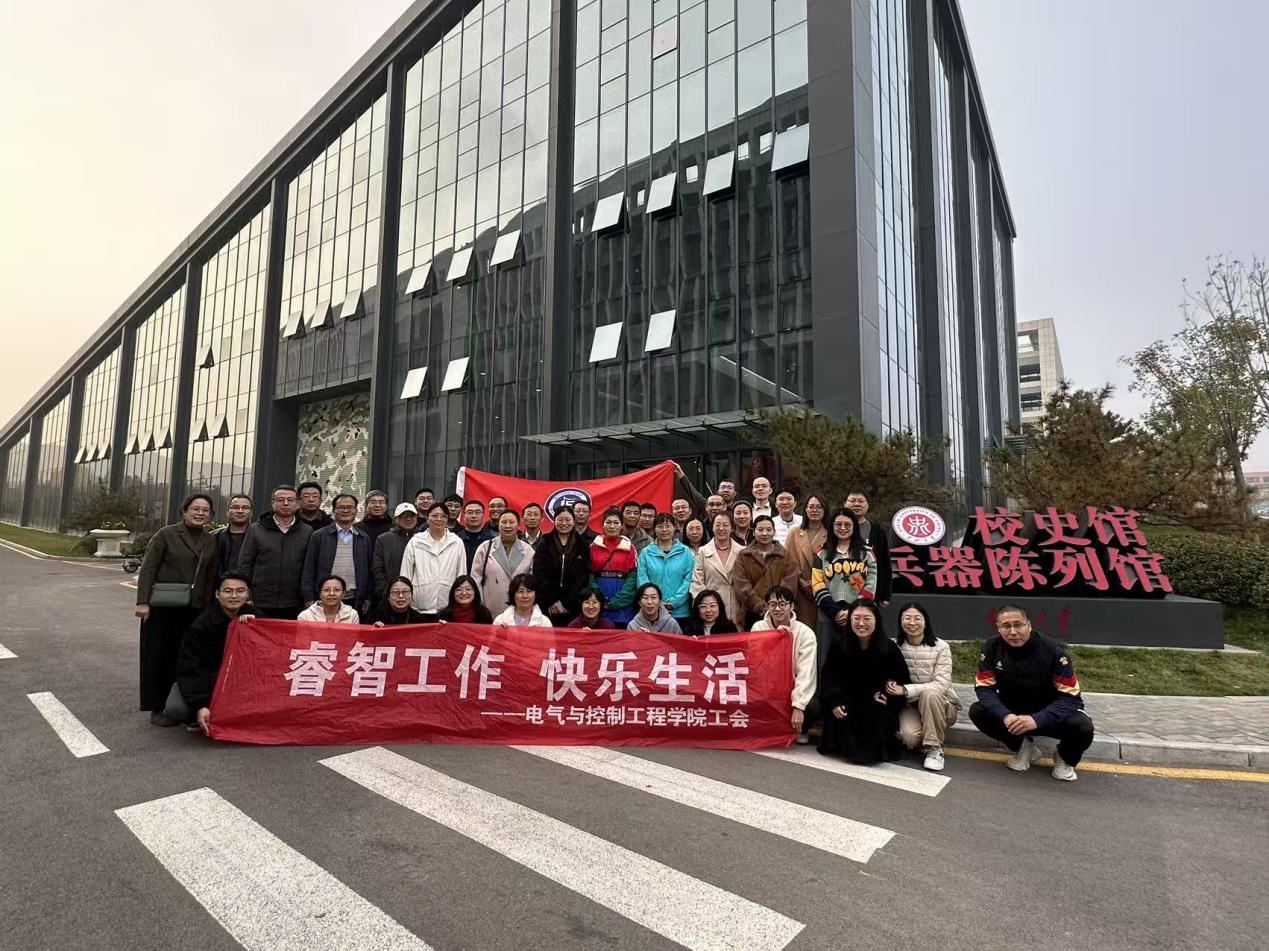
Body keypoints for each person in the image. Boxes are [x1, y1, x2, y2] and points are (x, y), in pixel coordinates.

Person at [970, 604, 1094, 782]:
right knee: (978, 711)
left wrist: (1037, 719)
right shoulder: (990, 648)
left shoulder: (1053, 652)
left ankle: (1064, 758)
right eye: (1006, 626)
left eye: (1018, 625)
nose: (1013, 632)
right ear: (998, 628)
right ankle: (1023, 747)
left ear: (1029, 625)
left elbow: (1071, 698)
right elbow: (984, 688)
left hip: (1049, 714)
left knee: (1083, 726)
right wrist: (1005, 715)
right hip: (1014, 715)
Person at [135, 493, 221, 718]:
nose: (200, 513)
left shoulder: (210, 540)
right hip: (163, 607)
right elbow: (148, 569)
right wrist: (143, 602)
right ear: (184, 511)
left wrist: (209, 608)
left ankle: (185, 705)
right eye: (195, 509)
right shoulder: (166, 534)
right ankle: (157, 706)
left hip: (195, 609)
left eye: (205, 510)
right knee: (159, 656)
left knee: (187, 658)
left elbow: (211, 576)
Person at [152, 572, 254, 731]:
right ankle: (197, 715)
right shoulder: (201, 625)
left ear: (247, 594)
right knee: (177, 708)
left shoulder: (255, 617)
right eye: (228, 591)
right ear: (217, 594)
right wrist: (200, 705)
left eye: (240, 591)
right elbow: (191, 667)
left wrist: (256, 624)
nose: (234, 596)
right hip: (208, 679)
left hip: (240, 680)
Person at [818, 601, 910, 764]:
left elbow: (902, 681)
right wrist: (834, 701)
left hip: (877, 702)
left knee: (876, 719)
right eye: (856, 618)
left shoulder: (889, 648)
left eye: (867, 618)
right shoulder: (839, 644)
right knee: (844, 715)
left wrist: (889, 697)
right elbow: (828, 676)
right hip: (846, 700)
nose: (861, 623)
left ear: (876, 620)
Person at [892, 602, 960, 771]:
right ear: (900, 622)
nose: (912, 622)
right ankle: (927, 733)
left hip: (942, 704)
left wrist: (906, 690)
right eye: (907, 618)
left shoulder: (941, 647)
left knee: (930, 693)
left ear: (925, 621)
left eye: (917, 618)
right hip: (911, 706)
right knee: (909, 738)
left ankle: (934, 748)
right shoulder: (895, 646)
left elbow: (941, 685)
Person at [751, 586, 818, 743]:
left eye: (782, 604)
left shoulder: (805, 633)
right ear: (767, 606)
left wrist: (799, 706)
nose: (777, 609)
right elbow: (756, 663)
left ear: (792, 606)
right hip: (767, 690)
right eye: (773, 604)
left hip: (791, 690)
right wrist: (775, 638)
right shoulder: (758, 628)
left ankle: (801, 728)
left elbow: (806, 672)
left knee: (814, 705)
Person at [812, 508, 879, 667]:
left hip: (858, 613)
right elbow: (817, 584)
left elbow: (871, 583)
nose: (843, 528)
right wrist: (835, 611)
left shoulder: (867, 553)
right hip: (828, 612)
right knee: (826, 658)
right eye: (838, 524)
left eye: (847, 524)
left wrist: (853, 611)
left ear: (854, 526)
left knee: (858, 659)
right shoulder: (821, 552)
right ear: (832, 527)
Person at [238, 484, 315, 620]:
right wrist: (246, 594)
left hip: (294, 602)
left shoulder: (307, 531)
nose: (285, 503)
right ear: (272, 503)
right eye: (280, 500)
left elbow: (309, 567)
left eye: (290, 500)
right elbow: (245, 564)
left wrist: (308, 598)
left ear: (297, 503)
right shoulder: (256, 529)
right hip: (261, 600)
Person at [302, 493, 374, 614]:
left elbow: (369, 571)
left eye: (350, 507)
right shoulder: (319, 536)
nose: (345, 510)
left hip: (354, 599)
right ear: (334, 510)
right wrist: (308, 598)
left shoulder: (363, 538)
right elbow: (309, 569)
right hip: (324, 599)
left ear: (356, 511)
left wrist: (368, 597)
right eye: (341, 507)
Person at [399, 502, 467, 620]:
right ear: (427, 518)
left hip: (447, 606)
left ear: (447, 520)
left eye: (443, 516)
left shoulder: (457, 542)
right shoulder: (415, 541)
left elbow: (461, 574)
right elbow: (406, 573)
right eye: (434, 516)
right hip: (418, 606)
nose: (439, 519)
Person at [732, 515, 800, 628]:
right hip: (752, 612)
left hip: (780, 612)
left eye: (769, 530)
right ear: (753, 532)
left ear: (774, 532)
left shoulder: (785, 555)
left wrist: (777, 604)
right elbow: (741, 584)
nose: (764, 533)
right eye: (760, 530)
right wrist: (760, 606)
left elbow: (790, 581)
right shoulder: (743, 556)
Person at [532, 505, 590, 626]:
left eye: (568, 520)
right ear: (554, 521)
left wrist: (565, 603)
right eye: (560, 519)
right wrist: (552, 601)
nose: (564, 523)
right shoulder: (545, 542)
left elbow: (582, 577)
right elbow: (539, 573)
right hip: (547, 604)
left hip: (573, 605)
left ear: (574, 522)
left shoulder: (582, 545)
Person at [471, 509, 536, 614]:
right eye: (504, 522)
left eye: (512, 522)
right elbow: (476, 579)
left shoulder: (528, 551)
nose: (507, 526)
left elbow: (533, 583)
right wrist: (479, 605)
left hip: (520, 608)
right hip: (490, 607)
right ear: (498, 525)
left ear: (518, 526)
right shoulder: (485, 548)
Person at [637, 513, 695, 621]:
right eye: (660, 526)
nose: (664, 530)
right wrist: (655, 603)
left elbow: (689, 579)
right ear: (654, 529)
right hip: (652, 611)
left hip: (680, 612)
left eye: (668, 526)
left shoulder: (685, 552)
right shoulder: (645, 553)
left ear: (674, 527)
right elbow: (642, 579)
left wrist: (673, 603)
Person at [785, 493, 829, 631]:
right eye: (811, 507)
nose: (814, 510)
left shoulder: (831, 533)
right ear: (805, 509)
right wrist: (802, 582)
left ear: (825, 510)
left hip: (825, 589)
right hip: (801, 590)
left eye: (819, 507)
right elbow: (788, 562)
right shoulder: (794, 533)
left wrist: (817, 583)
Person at [589, 507, 639, 625]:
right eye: (608, 522)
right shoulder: (593, 547)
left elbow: (633, 579)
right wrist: (599, 598)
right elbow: (589, 576)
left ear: (622, 525)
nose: (612, 526)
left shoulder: (630, 548)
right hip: (597, 604)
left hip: (623, 608)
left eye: (616, 523)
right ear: (603, 525)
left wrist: (618, 601)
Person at [690, 512, 744, 621]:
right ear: (712, 527)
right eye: (717, 525)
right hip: (711, 611)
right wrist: (707, 606)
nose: (721, 528)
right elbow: (697, 583)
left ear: (732, 528)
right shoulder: (702, 551)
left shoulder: (742, 551)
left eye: (725, 525)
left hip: (736, 608)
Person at [845, 489, 892, 606]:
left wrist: (886, 595)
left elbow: (884, 562)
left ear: (867, 505)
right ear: (845, 504)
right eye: (852, 501)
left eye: (861, 501)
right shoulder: (836, 528)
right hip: (841, 590)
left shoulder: (876, 530)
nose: (856, 504)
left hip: (870, 591)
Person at [373, 502, 418, 604]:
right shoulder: (383, 539)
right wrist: (387, 592)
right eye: (404, 516)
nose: (409, 519)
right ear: (396, 519)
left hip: (418, 596)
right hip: (390, 597)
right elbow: (378, 569)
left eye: (412, 516)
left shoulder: (423, 538)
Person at [211, 493, 253, 575]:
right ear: (227, 511)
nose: (240, 511)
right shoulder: (214, 537)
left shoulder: (259, 537)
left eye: (245, 508)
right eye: (235, 507)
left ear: (251, 512)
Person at [455, 500, 494, 571]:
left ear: (483, 515)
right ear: (463, 516)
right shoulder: (455, 539)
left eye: (478, 512)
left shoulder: (491, 541)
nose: (474, 516)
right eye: (470, 512)